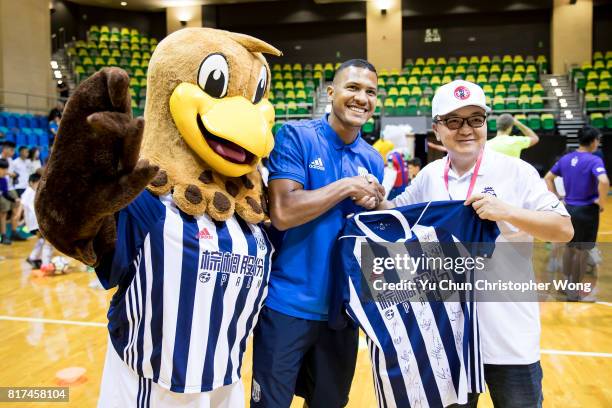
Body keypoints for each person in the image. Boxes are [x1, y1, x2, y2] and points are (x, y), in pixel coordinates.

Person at [378, 80, 573, 408]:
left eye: (475, 119)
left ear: (485, 123)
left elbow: (564, 229)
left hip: (509, 336)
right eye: (453, 121)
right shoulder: (428, 176)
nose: (465, 129)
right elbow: (395, 215)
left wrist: (507, 211)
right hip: (448, 340)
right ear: (438, 130)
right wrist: (370, 194)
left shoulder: (518, 172)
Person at [251, 59, 385, 408]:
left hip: (341, 314)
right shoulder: (296, 136)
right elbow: (282, 213)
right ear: (331, 92)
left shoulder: (372, 159)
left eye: (370, 92)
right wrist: (346, 186)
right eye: (353, 88)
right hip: (287, 305)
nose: (361, 98)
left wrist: (380, 209)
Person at [544, 126, 609, 300]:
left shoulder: (566, 158)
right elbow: (604, 181)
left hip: (568, 209)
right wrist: (601, 202)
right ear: (594, 140)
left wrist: (557, 198)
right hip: (587, 211)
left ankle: (566, 286)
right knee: (583, 252)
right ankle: (576, 291)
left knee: (569, 249)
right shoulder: (594, 160)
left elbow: (548, 178)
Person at [23, 173, 55, 269]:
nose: (40, 185)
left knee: (42, 240)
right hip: (36, 222)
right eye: (38, 183)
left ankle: (33, 258)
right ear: (31, 183)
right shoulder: (29, 192)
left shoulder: (34, 192)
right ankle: (45, 264)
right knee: (48, 241)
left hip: (36, 222)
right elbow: (26, 206)